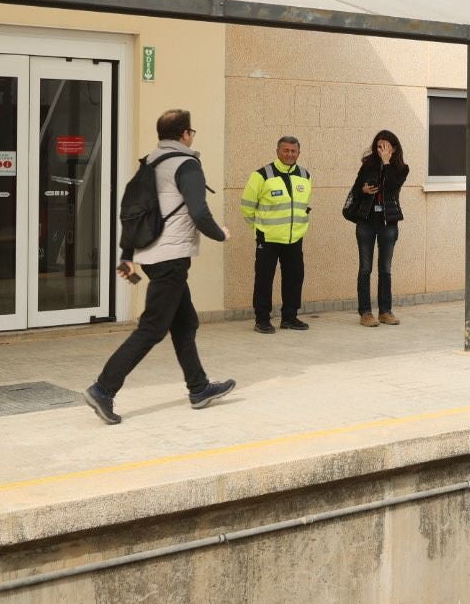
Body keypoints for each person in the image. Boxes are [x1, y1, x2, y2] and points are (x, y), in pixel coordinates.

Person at [83, 109, 235, 425]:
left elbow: (132, 210)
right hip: (171, 258)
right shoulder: (186, 163)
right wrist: (221, 234)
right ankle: (103, 389)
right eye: (191, 131)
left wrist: (128, 253)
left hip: (151, 256)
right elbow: (199, 211)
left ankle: (199, 388)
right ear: (185, 134)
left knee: (185, 322)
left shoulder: (151, 162)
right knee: (152, 328)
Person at [241, 135, 312, 333]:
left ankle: (290, 317)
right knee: (264, 279)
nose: (290, 154)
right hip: (268, 238)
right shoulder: (262, 175)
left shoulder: (305, 176)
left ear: (299, 152)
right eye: (286, 150)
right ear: (277, 152)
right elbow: (247, 206)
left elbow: (303, 205)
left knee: (294, 277)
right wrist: (259, 228)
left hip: (294, 238)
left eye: (293, 151)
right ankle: (262, 319)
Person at [350, 130, 409, 328]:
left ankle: (385, 311)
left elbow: (392, 187)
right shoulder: (367, 164)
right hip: (367, 221)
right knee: (365, 268)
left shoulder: (401, 168)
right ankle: (365, 312)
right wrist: (363, 190)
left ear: (393, 147)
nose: (381, 149)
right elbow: (357, 187)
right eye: (378, 146)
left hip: (388, 223)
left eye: (385, 146)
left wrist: (387, 163)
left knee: (385, 269)